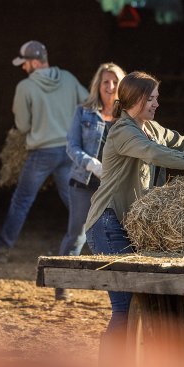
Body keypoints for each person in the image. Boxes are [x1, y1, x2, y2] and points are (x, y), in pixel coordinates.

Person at [83, 71, 184, 347]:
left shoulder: (150, 127)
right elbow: (154, 153)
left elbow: (179, 140)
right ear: (136, 98)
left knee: (138, 304)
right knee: (124, 308)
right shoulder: (123, 131)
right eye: (152, 99)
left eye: (157, 98)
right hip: (107, 223)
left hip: (126, 223)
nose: (156, 104)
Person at [0, 40, 88, 263]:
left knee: (22, 200)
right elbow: (88, 103)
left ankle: (0, 249)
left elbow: (23, 126)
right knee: (76, 201)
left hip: (42, 152)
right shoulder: (68, 78)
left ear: (36, 62)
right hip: (69, 149)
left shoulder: (25, 87)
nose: (23, 67)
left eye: (25, 63)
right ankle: (106, 241)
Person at [53, 63, 126, 302]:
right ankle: (61, 285)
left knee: (115, 236)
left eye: (114, 82)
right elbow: (71, 146)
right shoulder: (84, 111)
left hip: (114, 185)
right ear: (98, 84)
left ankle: (119, 291)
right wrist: (92, 164)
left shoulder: (128, 115)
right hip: (84, 182)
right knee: (76, 235)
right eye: (105, 81)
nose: (110, 86)